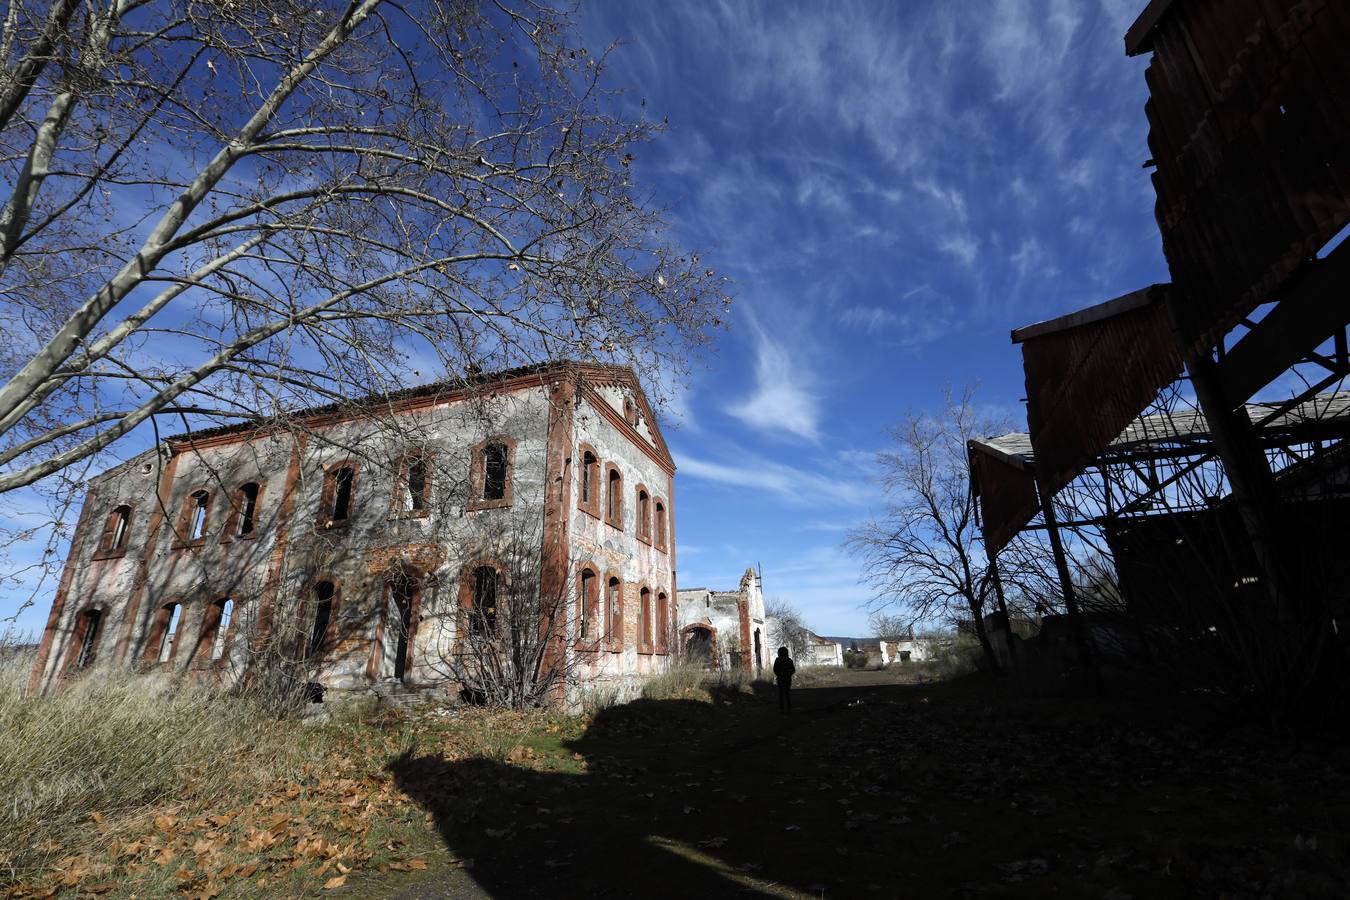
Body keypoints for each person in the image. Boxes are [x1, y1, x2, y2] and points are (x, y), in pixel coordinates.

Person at [772, 646, 795, 714]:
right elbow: (793, 670)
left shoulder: (777, 660)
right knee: (787, 693)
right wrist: (788, 674)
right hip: (787, 679)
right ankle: (788, 708)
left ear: (779, 652)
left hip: (780, 679)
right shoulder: (789, 660)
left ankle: (781, 708)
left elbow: (775, 669)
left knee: (781, 694)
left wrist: (779, 674)